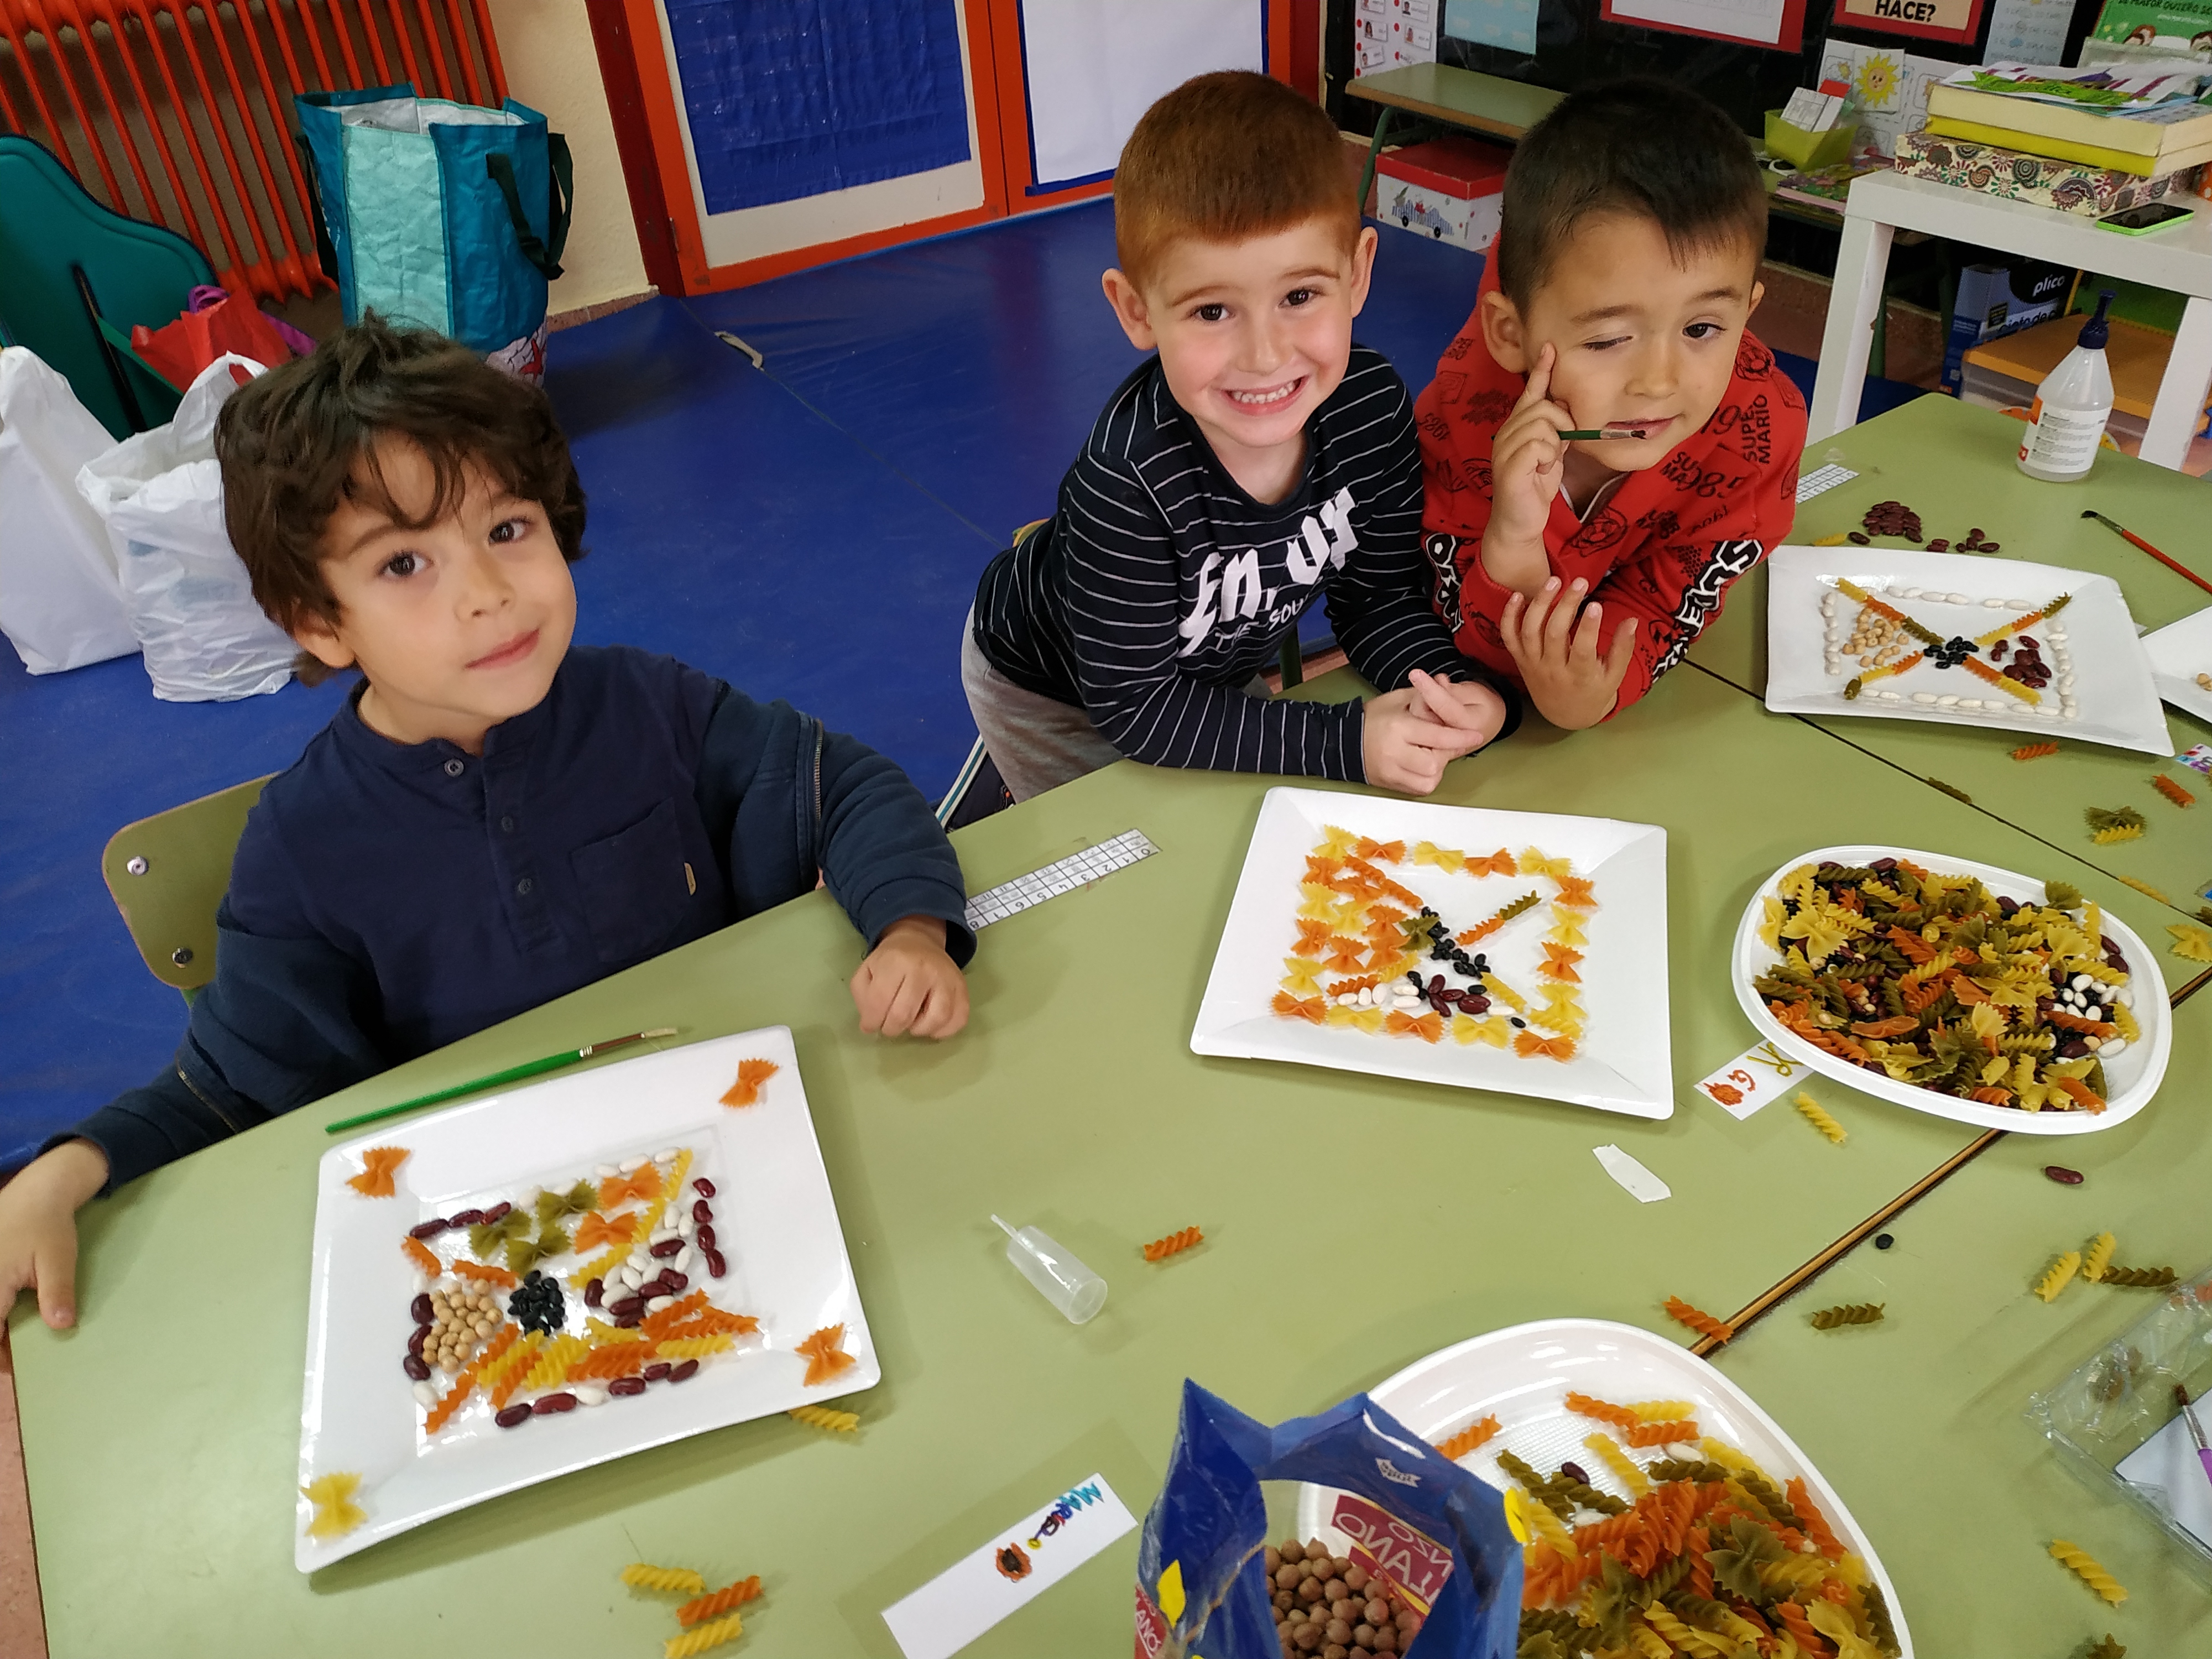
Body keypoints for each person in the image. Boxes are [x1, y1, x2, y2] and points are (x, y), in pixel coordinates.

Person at [0, 319, 973, 1329]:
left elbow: (838, 786)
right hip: (512, 1249)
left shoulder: (647, 704)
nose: (488, 595)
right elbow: (234, 1085)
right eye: (402, 565)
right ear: (320, 621)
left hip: (748, 1155)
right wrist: (64, 1172)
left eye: (506, 530)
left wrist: (910, 928)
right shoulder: (305, 848)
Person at [963, 70, 1514, 806]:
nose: (1264, 355)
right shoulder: (1127, 486)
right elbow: (1138, 710)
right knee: (1126, 847)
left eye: (1299, 296)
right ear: (1137, 312)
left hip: (1200, 670)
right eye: (1212, 311)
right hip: (1056, 692)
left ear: (1357, 275)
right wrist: (1345, 743)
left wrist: (1456, 690)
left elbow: (1377, 599)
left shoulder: (1370, 410)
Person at [1415, 78, 1807, 730]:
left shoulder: (1761, 434)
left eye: (1702, 329)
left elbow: (1658, 616)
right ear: (1510, 335)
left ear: (1746, 312)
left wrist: (1594, 692)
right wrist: (1513, 541)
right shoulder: (1466, 417)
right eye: (1606, 340)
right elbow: (1471, 645)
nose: (1657, 382)